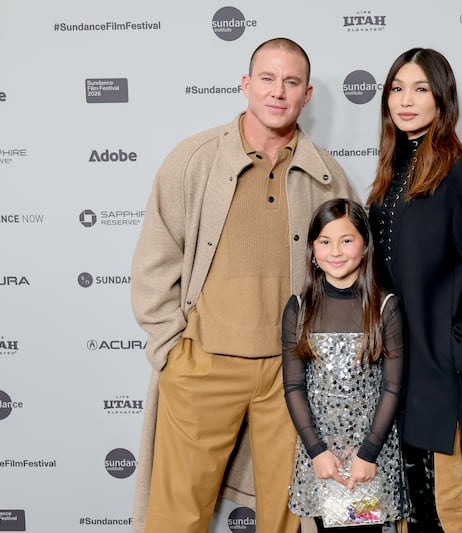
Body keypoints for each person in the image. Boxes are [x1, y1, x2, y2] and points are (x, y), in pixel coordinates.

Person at [130, 37, 358, 533]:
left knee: (289, 514)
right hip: (204, 364)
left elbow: (350, 277)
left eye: (291, 82)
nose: (278, 92)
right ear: (246, 84)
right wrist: (172, 349)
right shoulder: (193, 160)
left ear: (307, 94)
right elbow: (154, 262)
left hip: (291, 376)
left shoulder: (327, 176)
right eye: (268, 78)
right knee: (175, 515)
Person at [366, 48, 462, 532]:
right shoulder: (388, 178)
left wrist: (456, 356)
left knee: (444, 509)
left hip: (437, 373)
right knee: (407, 508)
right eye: (396, 88)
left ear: (442, 98)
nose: (405, 100)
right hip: (391, 373)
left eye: (420, 89)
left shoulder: (461, 177)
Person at [281, 199, 408, 532]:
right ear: (312, 249)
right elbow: (293, 386)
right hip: (322, 456)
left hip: (368, 456)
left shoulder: (385, 308)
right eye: (325, 241)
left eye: (346, 240)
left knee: (362, 529)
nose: (335, 251)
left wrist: (367, 453)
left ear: (365, 246)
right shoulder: (298, 308)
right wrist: (317, 451)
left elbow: (392, 387)